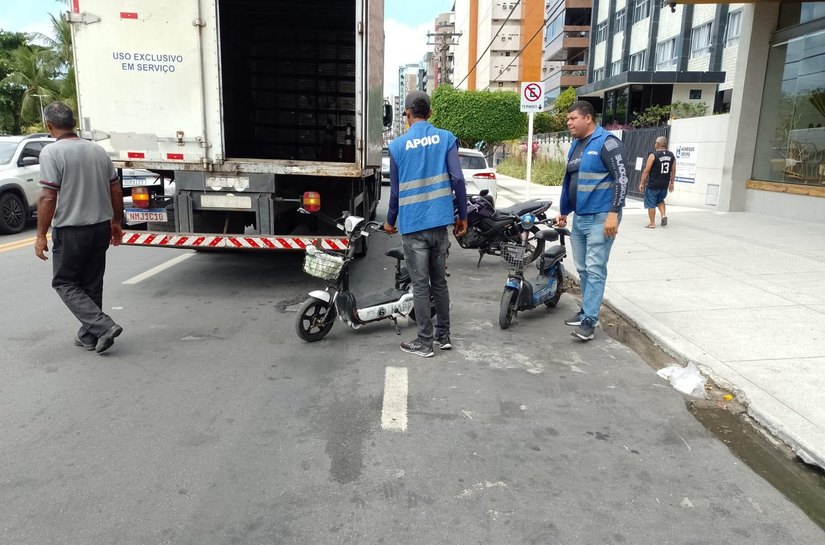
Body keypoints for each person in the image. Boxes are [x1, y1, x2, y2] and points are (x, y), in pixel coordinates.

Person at [34, 102, 125, 354]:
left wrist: (41, 235)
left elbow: (48, 197)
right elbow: (115, 189)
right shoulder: (97, 151)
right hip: (99, 227)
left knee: (64, 282)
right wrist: (116, 221)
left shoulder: (51, 153)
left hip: (72, 230)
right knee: (92, 282)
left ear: (49, 125)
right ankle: (90, 335)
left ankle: (103, 325)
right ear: (73, 123)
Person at [384, 90, 468, 358]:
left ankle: (424, 342)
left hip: (412, 226)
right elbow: (458, 180)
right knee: (439, 282)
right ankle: (443, 336)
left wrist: (389, 221)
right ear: (430, 113)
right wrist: (462, 215)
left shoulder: (397, 146)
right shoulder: (445, 138)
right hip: (439, 225)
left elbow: (395, 192)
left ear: (406, 113)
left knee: (420, 285)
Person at [556, 101, 628, 341]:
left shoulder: (607, 142)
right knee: (583, 268)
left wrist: (613, 213)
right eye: (568, 119)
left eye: (573, 118)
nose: (569, 123)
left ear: (588, 118)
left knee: (595, 268)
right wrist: (564, 210)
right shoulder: (576, 145)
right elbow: (571, 180)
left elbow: (621, 179)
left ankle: (590, 321)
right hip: (581, 215)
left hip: (601, 217)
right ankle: (585, 311)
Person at [639, 136, 676, 228]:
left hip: (653, 185)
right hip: (664, 185)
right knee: (660, 200)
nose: (654, 144)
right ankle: (663, 215)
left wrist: (642, 183)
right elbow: (673, 170)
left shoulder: (653, 155)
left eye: (655, 142)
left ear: (658, 144)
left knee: (651, 204)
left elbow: (646, 171)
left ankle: (652, 223)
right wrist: (672, 183)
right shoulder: (671, 155)